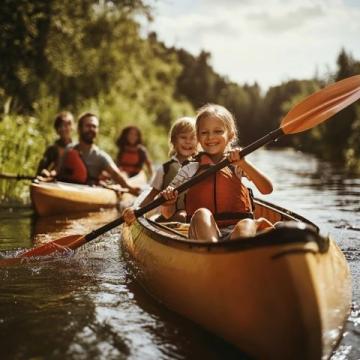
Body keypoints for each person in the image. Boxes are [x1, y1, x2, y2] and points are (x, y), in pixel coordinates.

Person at [158, 104, 274, 241]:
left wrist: (244, 164)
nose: (210, 137)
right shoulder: (190, 168)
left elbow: (267, 189)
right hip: (203, 235)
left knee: (247, 223)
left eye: (218, 131)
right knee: (201, 214)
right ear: (198, 138)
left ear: (230, 135)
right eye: (204, 132)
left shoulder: (237, 165)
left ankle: (238, 250)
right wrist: (168, 203)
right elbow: (167, 214)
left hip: (235, 234)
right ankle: (214, 251)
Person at [132, 116, 197, 222]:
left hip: (195, 214)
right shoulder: (164, 169)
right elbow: (151, 196)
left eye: (192, 138)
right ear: (173, 140)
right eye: (183, 137)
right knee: (181, 216)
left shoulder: (201, 166)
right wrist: (137, 211)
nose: (188, 142)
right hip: (170, 215)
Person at [57, 112, 140, 195]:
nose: (91, 129)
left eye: (94, 127)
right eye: (88, 126)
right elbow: (58, 172)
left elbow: (116, 175)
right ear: (79, 129)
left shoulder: (101, 157)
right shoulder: (68, 149)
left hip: (85, 194)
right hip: (63, 189)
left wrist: (130, 189)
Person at [36, 111, 74, 178]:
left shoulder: (77, 148)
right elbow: (41, 169)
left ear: (72, 127)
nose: (63, 129)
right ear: (57, 129)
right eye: (60, 126)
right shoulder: (52, 149)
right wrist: (46, 173)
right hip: (54, 183)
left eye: (67, 125)